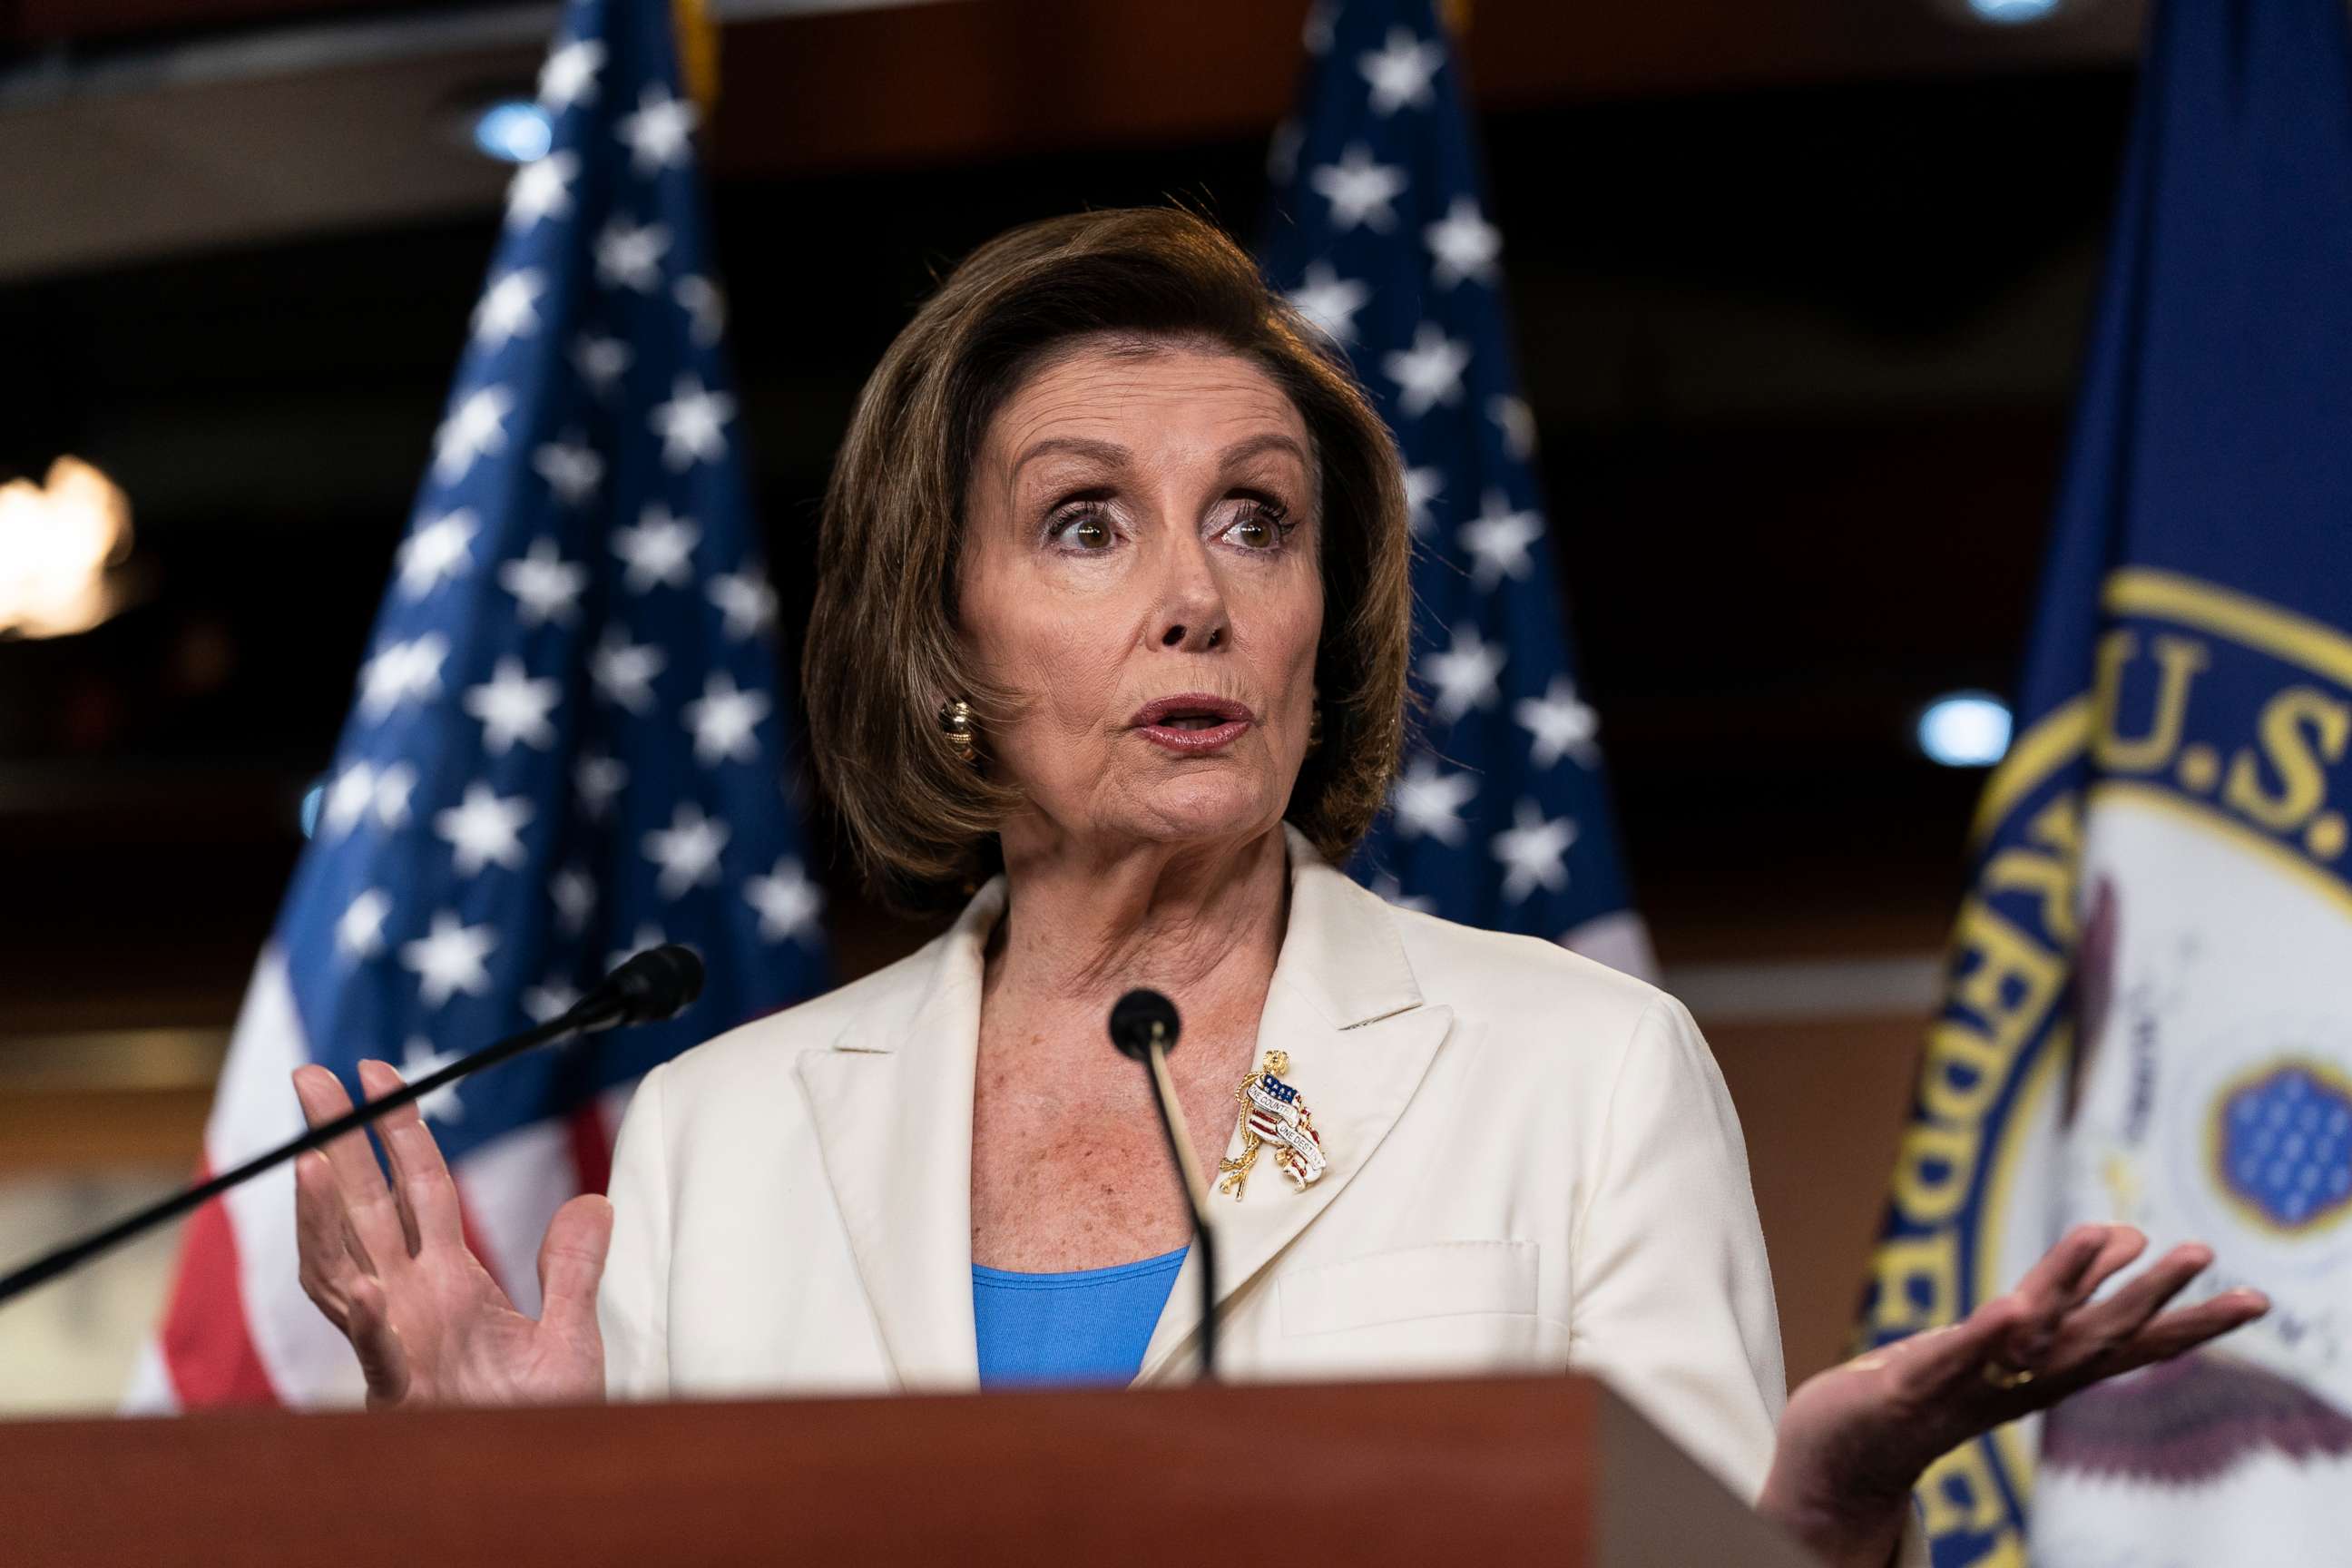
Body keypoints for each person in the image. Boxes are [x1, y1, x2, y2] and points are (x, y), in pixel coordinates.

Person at [289, 207, 2266, 1568]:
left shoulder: (1575, 1069)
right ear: (943, 645)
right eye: (1087, 524)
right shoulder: (725, 1131)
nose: (1196, 593)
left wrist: (1807, 1541)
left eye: (1259, 518)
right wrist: (496, 1505)